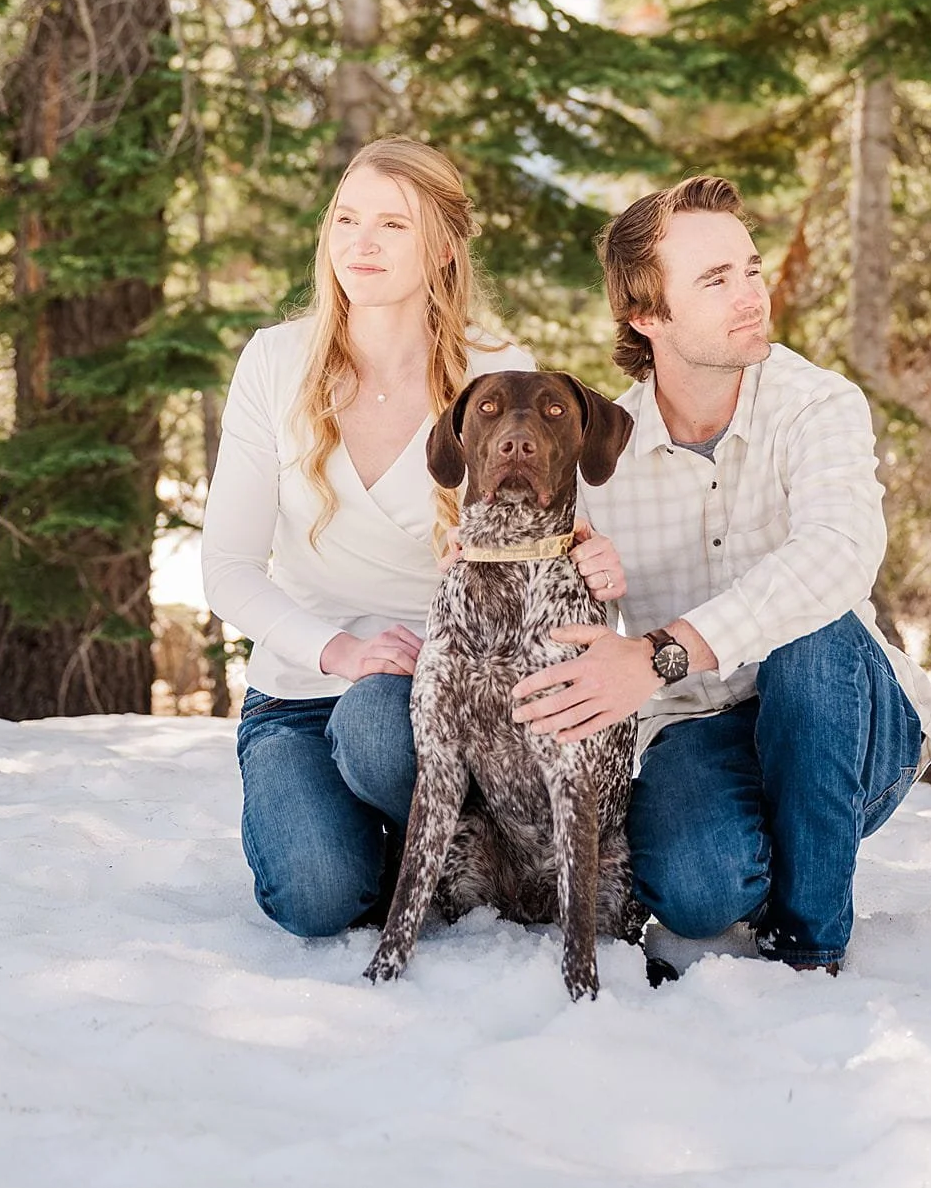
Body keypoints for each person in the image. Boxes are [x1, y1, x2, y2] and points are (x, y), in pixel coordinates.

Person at [505, 175, 931, 976]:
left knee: (810, 633)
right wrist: (565, 571)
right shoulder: (604, 462)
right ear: (646, 315)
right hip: (703, 722)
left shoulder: (817, 404)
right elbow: (561, 616)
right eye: (715, 280)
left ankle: (811, 941)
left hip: (848, 716)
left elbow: (838, 553)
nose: (750, 295)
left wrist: (663, 651)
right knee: (699, 890)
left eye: (750, 268)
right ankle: (771, 857)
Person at [204, 138, 623, 937]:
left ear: (442, 249)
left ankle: (432, 842)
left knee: (374, 723)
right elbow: (226, 567)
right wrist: (341, 650)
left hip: (437, 702)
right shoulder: (275, 360)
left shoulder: (496, 369)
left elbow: (550, 521)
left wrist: (590, 547)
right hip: (296, 689)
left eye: (391, 225)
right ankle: (386, 849)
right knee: (317, 897)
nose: (360, 243)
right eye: (347, 219)